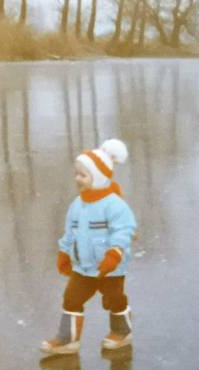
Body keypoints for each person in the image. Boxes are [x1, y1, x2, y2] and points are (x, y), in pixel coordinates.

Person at [41, 139, 137, 356]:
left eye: (83, 175)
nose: (78, 179)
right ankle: (67, 340)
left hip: (110, 267)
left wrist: (114, 254)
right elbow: (70, 232)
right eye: (77, 173)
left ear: (99, 177)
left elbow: (124, 230)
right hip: (83, 266)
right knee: (71, 298)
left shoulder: (114, 205)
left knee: (113, 299)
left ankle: (122, 330)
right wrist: (64, 252)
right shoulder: (77, 205)